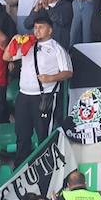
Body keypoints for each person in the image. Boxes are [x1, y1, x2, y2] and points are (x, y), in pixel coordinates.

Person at [9, 13, 73, 162]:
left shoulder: (57, 48)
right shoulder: (28, 44)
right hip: (24, 95)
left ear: (50, 30)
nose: (37, 31)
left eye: (41, 27)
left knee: (44, 135)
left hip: (44, 96)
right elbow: (7, 57)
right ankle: (20, 167)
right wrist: (14, 41)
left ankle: (46, 166)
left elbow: (68, 72)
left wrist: (51, 78)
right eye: (35, 28)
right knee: (22, 135)